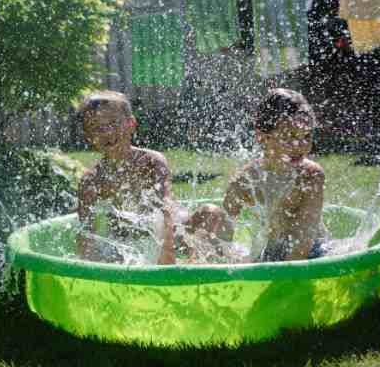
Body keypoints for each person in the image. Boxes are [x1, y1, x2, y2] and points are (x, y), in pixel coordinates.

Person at [76, 90, 231, 264]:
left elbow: (164, 210)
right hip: (130, 242)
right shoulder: (91, 181)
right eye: (97, 128)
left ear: (131, 124)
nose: (107, 132)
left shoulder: (150, 162)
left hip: (177, 231)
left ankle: (208, 268)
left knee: (213, 214)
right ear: (88, 136)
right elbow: (85, 235)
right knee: (109, 255)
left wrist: (167, 262)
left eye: (113, 123)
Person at [223, 88, 329, 262]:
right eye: (289, 136)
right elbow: (223, 234)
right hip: (270, 255)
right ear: (262, 138)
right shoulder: (245, 180)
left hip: (314, 253)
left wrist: (283, 279)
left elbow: (303, 241)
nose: (300, 145)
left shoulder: (310, 175)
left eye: (307, 136)